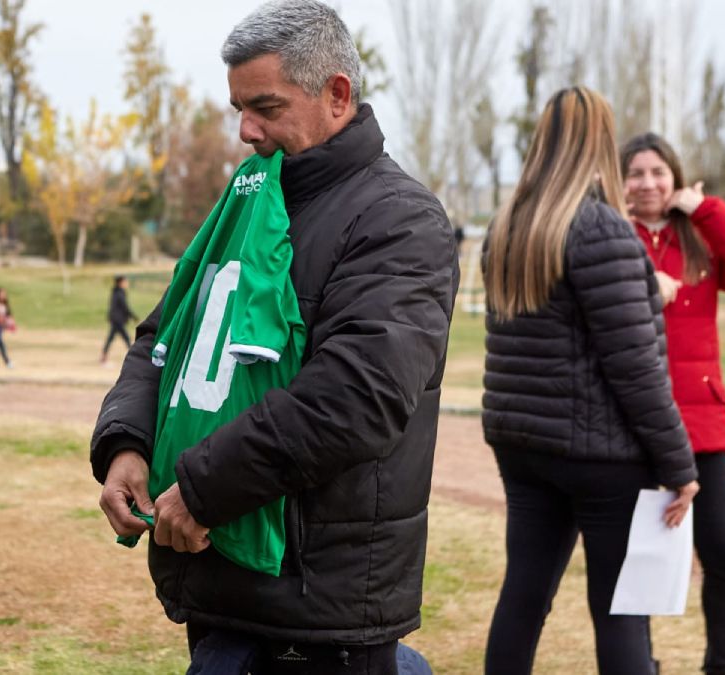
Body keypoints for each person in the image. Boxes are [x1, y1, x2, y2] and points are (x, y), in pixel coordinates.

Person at [90, 1, 458, 672]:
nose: (244, 131)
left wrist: (202, 489)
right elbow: (163, 334)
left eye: (265, 107)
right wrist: (125, 443)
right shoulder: (248, 195)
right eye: (237, 107)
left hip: (319, 615)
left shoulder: (400, 220)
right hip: (220, 587)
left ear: (337, 95)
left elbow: (354, 398)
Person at [480, 88, 699, 675]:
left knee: (522, 599)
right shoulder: (602, 229)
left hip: (522, 442)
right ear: (599, 143)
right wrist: (680, 466)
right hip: (598, 453)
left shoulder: (507, 228)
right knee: (620, 613)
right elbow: (636, 368)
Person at [622, 133, 725, 675]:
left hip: (702, 422)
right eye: (636, 172)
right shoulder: (612, 236)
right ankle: (640, 662)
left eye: (658, 172)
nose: (648, 183)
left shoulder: (701, 236)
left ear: (675, 178)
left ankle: (722, 665)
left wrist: (706, 209)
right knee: (638, 557)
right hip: (633, 422)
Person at [100, 275, 138, 364]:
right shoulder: (120, 293)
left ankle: (104, 356)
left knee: (111, 338)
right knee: (126, 338)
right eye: (125, 281)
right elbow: (125, 307)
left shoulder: (115, 292)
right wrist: (133, 316)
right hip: (118, 320)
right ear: (121, 282)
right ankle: (133, 357)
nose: (127, 283)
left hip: (115, 319)